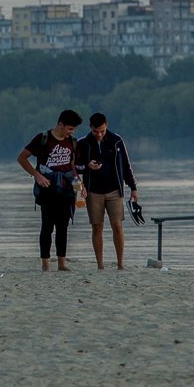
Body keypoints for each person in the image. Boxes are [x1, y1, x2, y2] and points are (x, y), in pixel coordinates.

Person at [17, 109, 84, 272]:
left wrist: (80, 188)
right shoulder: (43, 139)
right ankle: (45, 265)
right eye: (69, 128)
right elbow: (22, 157)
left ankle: (62, 264)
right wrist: (36, 175)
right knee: (47, 227)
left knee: (63, 227)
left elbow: (72, 167)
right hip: (47, 190)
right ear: (60, 124)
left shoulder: (72, 142)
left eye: (73, 129)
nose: (71, 132)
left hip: (67, 190)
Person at [77, 112, 139, 270]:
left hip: (114, 190)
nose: (99, 134)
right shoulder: (83, 143)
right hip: (93, 191)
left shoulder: (116, 140)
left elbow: (126, 165)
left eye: (102, 131)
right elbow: (76, 166)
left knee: (117, 225)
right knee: (97, 226)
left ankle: (120, 264)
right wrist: (87, 166)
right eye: (96, 131)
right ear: (90, 128)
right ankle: (100, 265)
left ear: (107, 126)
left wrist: (133, 188)